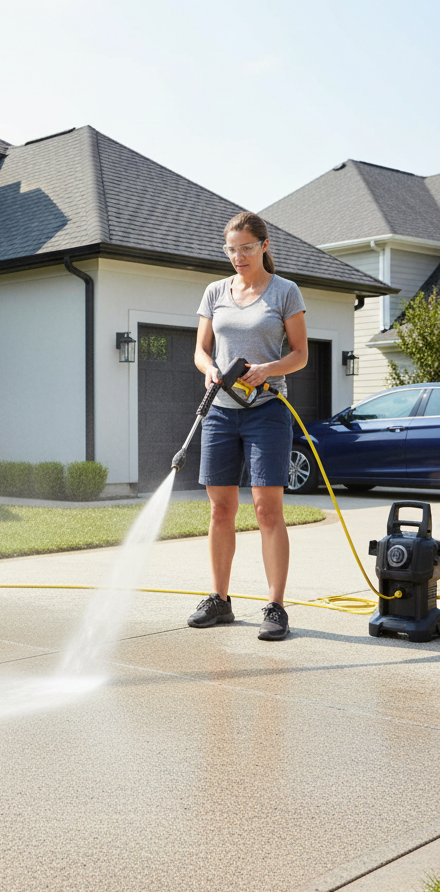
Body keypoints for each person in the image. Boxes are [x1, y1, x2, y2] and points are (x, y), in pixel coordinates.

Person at [187, 212, 308, 641]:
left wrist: (266, 369)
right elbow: (201, 350)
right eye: (231, 249)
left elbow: (300, 355)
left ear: (264, 245)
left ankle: (275, 607)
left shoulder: (285, 292)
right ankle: (219, 600)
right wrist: (209, 370)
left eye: (246, 248)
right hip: (219, 410)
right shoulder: (215, 291)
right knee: (221, 508)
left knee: (266, 509)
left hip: (267, 410)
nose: (238, 257)